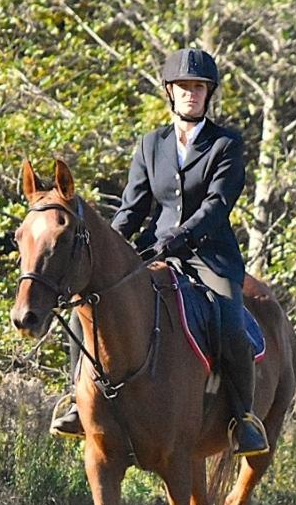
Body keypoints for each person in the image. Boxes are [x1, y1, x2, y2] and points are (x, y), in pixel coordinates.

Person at [51, 47, 271, 457]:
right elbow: (133, 207)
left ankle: (242, 419)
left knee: (229, 325)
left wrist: (179, 238)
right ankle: (76, 403)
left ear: (209, 94)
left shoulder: (226, 144)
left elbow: (217, 206)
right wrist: (109, 250)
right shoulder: (151, 144)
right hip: (155, 252)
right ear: (170, 92)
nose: (191, 94)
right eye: (184, 87)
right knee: (86, 308)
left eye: (199, 88)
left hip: (209, 257)